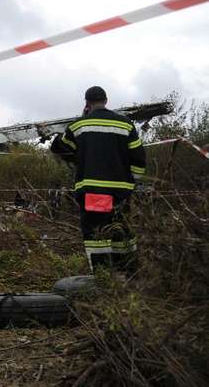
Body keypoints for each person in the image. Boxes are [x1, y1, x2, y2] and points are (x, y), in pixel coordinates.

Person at [51, 86, 146, 273]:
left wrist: (79, 155)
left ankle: (103, 276)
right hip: (121, 192)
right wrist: (131, 182)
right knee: (121, 229)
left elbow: (60, 148)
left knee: (98, 233)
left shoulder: (79, 125)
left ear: (87, 103)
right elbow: (139, 158)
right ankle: (128, 273)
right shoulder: (126, 124)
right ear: (106, 100)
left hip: (95, 191)